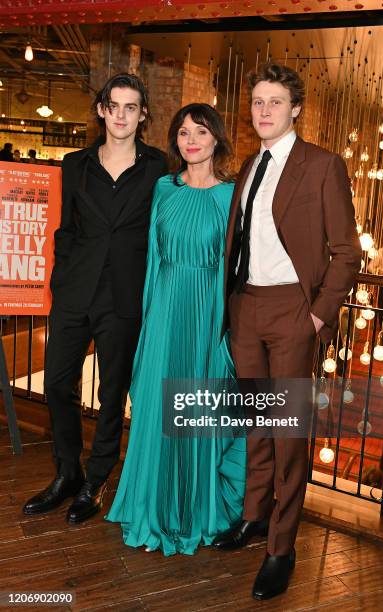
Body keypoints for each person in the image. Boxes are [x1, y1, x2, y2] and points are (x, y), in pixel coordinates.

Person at [212, 63, 361, 600]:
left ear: (295, 108)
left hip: (293, 314)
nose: (264, 110)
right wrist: (231, 307)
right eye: (257, 102)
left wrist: (316, 316)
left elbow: (346, 252)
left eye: (275, 101)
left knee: (288, 434)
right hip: (245, 309)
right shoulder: (250, 164)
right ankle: (254, 515)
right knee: (256, 423)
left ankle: (281, 546)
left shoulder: (323, 165)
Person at [23, 73, 167, 523]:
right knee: (56, 384)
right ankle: (67, 472)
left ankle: (96, 478)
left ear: (142, 115)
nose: (121, 115)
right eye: (114, 106)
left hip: (124, 295)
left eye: (131, 107)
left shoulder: (159, 168)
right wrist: (61, 279)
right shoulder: (75, 163)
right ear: (102, 110)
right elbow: (67, 229)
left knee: (111, 393)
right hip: (74, 292)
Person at [106, 103, 246, 555]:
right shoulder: (164, 188)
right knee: (158, 406)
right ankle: (155, 505)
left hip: (205, 318)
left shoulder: (230, 196)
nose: (191, 140)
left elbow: (236, 269)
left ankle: (194, 508)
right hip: (165, 314)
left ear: (216, 140)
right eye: (184, 132)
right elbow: (151, 262)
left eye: (200, 132)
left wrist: (226, 329)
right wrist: (148, 328)